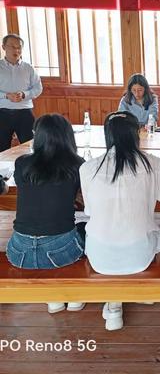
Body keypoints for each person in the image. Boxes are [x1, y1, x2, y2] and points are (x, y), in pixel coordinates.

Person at [80, 111, 160, 330]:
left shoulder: (87, 168)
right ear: (136, 135)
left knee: (106, 231)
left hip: (99, 255)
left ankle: (114, 303)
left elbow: (89, 210)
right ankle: (137, 292)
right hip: (139, 254)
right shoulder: (151, 163)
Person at [5, 114, 85, 314]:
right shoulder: (77, 164)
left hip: (19, 252)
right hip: (61, 252)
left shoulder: (23, 163)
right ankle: (74, 296)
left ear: (37, 136)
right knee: (87, 230)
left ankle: (53, 298)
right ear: (68, 136)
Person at [0, 34, 43, 152]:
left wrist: (24, 94)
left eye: (19, 47)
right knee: (1, 148)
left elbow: (38, 88)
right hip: (2, 112)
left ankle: (32, 170)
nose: (16, 50)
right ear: (3, 47)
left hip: (24, 112)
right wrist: (6, 95)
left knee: (32, 147)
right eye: (13, 47)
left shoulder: (28, 68)